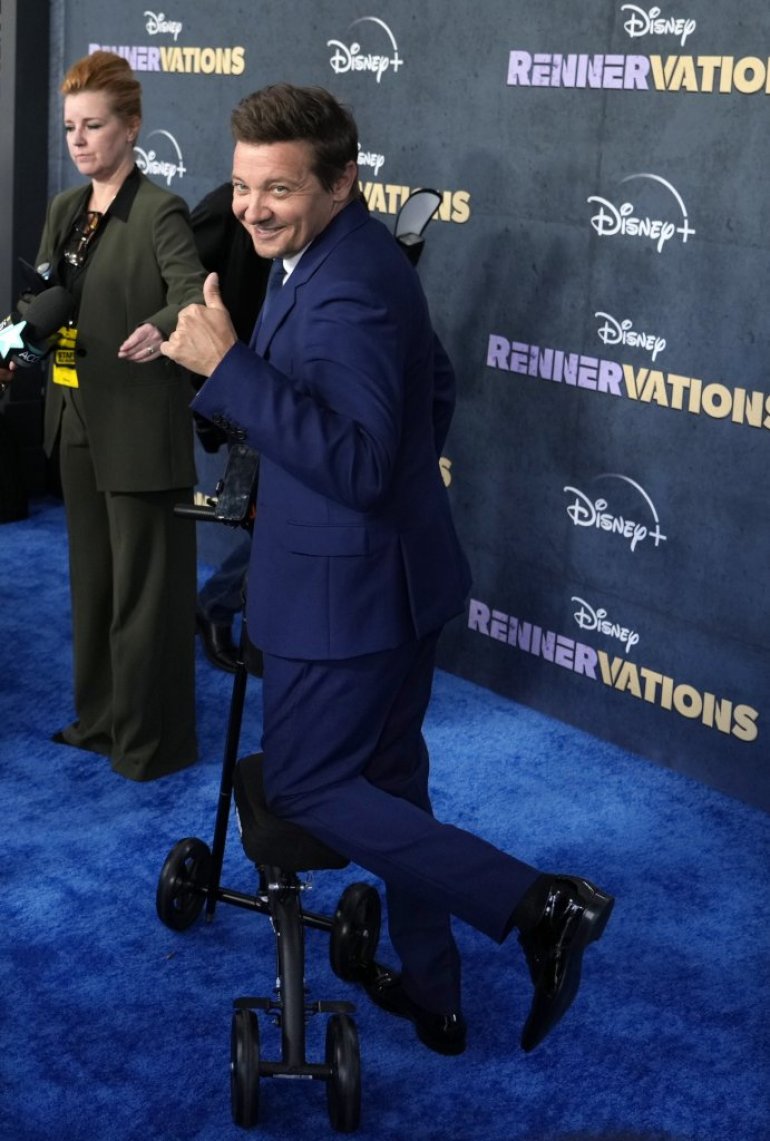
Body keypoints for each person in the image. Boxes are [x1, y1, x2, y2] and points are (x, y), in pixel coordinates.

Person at [161, 84, 614, 1055]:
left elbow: (360, 463)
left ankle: (537, 905)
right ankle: (434, 991)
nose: (251, 210)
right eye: (241, 186)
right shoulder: (345, 254)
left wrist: (228, 368)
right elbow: (430, 390)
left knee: (308, 786)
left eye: (277, 189)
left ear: (341, 182)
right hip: (391, 580)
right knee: (395, 783)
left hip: (343, 603)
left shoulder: (352, 285)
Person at [30, 51, 205, 781]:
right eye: (70, 127)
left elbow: (192, 296)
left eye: (93, 125)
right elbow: (45, 294)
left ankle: (150, 741)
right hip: (74, 417)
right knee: (95, 584)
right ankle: (100, 721)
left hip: (138, 424)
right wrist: (20, 332)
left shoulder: (160, 209)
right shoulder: (65, 210)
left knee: (146, 595)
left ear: (131, 127)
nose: (78, 140)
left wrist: (160, 328)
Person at [187, 181, 271, 673]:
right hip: (242, 384)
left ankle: (220, 606)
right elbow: (182, 287)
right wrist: (213, 380)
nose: (257, 209)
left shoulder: (326, 210)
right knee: (268, 517)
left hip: (285, 382)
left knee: (275, 516)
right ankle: (216, 605)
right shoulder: (222, 207)